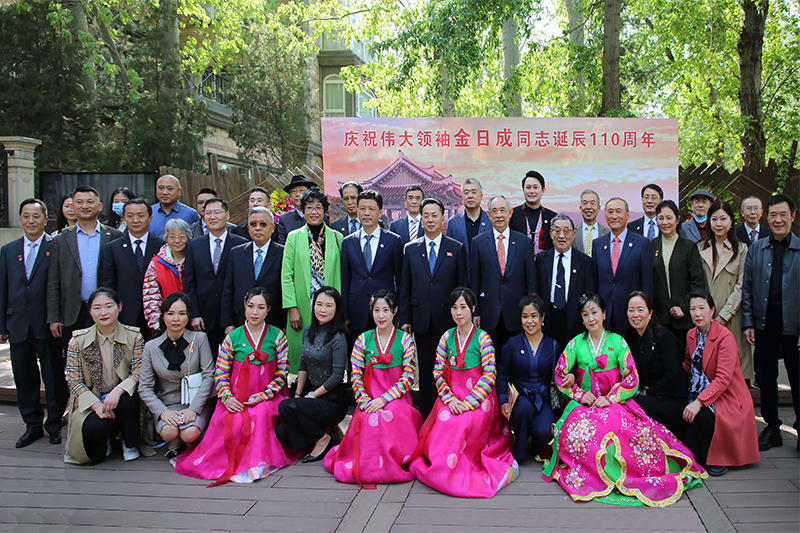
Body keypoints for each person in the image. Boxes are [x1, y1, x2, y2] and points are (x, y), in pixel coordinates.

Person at [543, 293, 706, 506]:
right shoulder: (575, 344)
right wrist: (582, 394)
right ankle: (596, 473)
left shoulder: (618, 341)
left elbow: (632, 376)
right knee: (579, 435)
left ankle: (626, 474)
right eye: (586, 315)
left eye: (594, 313)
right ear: (582, 319)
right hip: (585, 404)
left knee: (627, 432)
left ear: (603, 314)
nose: (591, 319)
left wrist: (610, 398)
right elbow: (560, 374)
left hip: (614, 402)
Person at [176, 287, 300, 485]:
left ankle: (257, 462)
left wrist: (264, 395)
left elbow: (282, 373)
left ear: (268, 310)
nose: (254, 312)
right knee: (230, 419)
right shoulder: (232, 337)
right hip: (236, 396)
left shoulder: (278, 336)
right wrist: (227, 397)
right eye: (250, 306)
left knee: (260, 415)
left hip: (268, 395)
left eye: (260, 307)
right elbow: (221, 373)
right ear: (244, 306)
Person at [407, 287, 518, 498]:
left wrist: (468, 403)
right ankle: (442, 464)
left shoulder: (483, 338)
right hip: (451, 396)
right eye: (455, 308)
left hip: (479, 397)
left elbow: (489, 374)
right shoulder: (446, 337)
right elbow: (438, 372)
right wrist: (450, 400)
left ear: (473, 309)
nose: (459, 313)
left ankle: (458, 465)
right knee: (445, 418)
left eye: (464, 307)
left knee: (464, 422)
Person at [324, 290, 422, 486]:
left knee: (391, 414)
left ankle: (393, 463)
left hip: (396, 398)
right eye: (376, 310)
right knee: (368, 418)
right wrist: (365, 401)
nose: (381, 315)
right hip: (369, 398)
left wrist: (384, 400)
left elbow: (408, 376)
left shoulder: (405, 339)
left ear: (394, 311)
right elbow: (356, 375)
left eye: (386, 310)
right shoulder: (363, 340)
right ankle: (370, 466)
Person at [0, 199, 68, 448]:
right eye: (26, 216)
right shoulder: (8, 250)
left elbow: (60, 286)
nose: (31, 221)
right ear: (20, 219)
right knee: (24, 377)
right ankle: (32, 425)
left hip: (47, 323)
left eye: (36, 216)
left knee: (53, 377)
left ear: (45, 219)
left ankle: (54, 424)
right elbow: (3, 288)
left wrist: (57, 317)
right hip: (17, 323)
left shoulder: (56, 245)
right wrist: (1, 326)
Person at [400, 198, 468, 417]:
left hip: (449, 321)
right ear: (421, 219)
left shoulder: (456, 248)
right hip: (421, 320)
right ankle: (428, 417)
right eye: (425, 216)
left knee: (450, 371)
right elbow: (405, 287)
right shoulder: (410, 249)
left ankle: (449, 417)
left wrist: (462, 317)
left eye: (434, 215)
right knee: (429, 372)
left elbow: (461, 286)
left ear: (443, 218)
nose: (430, 220)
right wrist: (406, 318)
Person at [742, 194, 799, 452]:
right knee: (766, 377)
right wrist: (748, 323)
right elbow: (748, 288)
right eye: (773, 215)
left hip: (794, 322)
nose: (778, 220)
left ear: (793, 217)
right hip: (764, 321)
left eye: (783, 214)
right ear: (767, 216)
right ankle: (772, 427)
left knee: (797, 377)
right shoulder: (757, 248)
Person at [64, 288, 144, 465]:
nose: (104, 312)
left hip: (122, 397)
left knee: (128, 400)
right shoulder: (78, 341)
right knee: (94, 435)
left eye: (109, 306)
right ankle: (107, 436)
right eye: (97, 308)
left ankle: (129, 443)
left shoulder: (134, 336)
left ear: (119, 307)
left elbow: (138, 372)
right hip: (92, 398)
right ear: (90, 311)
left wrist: (117, 391)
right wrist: (95, 405)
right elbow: (73, 379)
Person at [683, 290, 760, 475]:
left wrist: (699, 402)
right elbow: (688, 365)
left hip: (727, 396)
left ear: (712, 310)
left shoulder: (725, 337)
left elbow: (723, 379)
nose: (697, 313)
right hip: (698, 390)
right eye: (693, 309)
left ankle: (721, 457)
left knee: (701, 417)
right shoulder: (691, 334)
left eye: (702, 308)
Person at [48, 186, 124, 354]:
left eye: (90, 202)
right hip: (72, 312)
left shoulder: (115, 237)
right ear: (72, 207)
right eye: (79, 202)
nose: (85, 206)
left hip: (106, 312)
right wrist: (54, 317)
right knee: (75, 363)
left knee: (108, 361)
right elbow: (53, 281)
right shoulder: (61, 240)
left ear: (100, 205)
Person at [276, 287, 348, 463]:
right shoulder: (308, 331)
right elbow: (303, 364)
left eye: (329, 306)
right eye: (319, 304)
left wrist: (313, 396)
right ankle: (328, 433)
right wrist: (299, 394)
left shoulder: (338, 337)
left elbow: (338, 376)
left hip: (331, 400)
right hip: (310, 393)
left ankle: (321, 438)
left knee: (285, 407)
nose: (323, 310)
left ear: (336, 309)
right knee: (281, 433)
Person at [138, 293, 214, 454]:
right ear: (163, 316)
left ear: (189, 316)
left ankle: (185, 441)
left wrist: (193, 409)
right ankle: (176, 440)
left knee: (189, 433)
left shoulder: (199, 339)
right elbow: (144, 387)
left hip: (195, 402)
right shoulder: (151, 347)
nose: (176, 319)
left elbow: (209, 376)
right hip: (168, 404)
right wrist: (162, 412)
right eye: (170, 313)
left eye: (181, 314)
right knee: (169, 432)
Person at [281, 188, 343, 372]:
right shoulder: (294, 237)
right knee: (302, 351)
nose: (314, 212)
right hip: (302, 305)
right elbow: (286, 275)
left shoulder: (337, 238)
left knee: (330, 348)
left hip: (329, 306)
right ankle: (301, 389)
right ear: (303, 210)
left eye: (318, 207)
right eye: (309, 207)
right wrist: (292, 308)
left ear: (325, 211)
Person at [470, 195, 536, 354]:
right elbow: (474, 280)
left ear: (510, 213)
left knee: (517, 360)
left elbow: (531, 280)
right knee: (491, 360)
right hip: (488, 314)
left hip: (516, 313)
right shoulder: (478, 242)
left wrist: (530, 312)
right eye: (494, 211)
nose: (499, 215)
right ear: (488, 214)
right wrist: (476, 311)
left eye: (503, 210)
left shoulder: (524, 242)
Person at [496, 295, 558, 464]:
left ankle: (536, 445)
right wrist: (503, 401)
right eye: (525, 316)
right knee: (523, 409)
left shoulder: (553, 345)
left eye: (534, 316)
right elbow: (502, 375)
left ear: (542, 317)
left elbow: (560, 375)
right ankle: (520, 451)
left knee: (545, 432)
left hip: (543, 399)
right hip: (520, 398)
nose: (529, 321)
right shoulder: (512, 344)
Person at [340, 190, 403, 351]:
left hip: (385, 311)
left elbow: (401, 280)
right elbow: (345, 280)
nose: (366, 213)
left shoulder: (393, 241)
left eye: (371, 209)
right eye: (362, 208)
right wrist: (345, 315)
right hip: (357, 310)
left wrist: (399, 312)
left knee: (385, 356)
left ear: (380, 212)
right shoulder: (348, 242)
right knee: (358, 357)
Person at [183, 198, 247, 356]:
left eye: (217, 212)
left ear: (227, 215)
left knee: (235, 361)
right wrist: (194, 314)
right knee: (206, 362)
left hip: (233, 314)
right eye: (208, 213)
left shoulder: (242, 244)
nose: (212, 217)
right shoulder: (193, 246)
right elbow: (189, 284)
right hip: (204, 316)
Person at [698, 199, 751, 382]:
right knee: (709, 371)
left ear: (731, 221)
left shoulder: (742, 249)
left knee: (734, 374)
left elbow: (742, 286)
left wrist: (723, 316)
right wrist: (707, 315)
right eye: (714, 219)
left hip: (731, 317)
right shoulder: (700, 248)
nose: (718, 224)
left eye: (723, 219)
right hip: (705, 318)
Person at [101, 198, 166, 341]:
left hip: (155, 316)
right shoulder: (113, 248)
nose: (135, 220)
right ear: (124, 218)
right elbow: (108, 284)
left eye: (141, 216)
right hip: (125, 315)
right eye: (130, 216)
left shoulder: (162, 246)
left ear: (150, 218)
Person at [624, 291, 687, 437]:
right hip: (651, 396)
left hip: (671, 398)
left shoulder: (664, 336)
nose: (635, 315)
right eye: (631, 310)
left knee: (636, 406)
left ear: (650, 313)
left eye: (640, 310)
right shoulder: (632, 339)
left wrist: (648, 393)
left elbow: (673, 377)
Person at [651, 200, 707, 356]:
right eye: (660, 218)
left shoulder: (688, 246)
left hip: (684, 319)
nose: (665, 222)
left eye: (669, 217)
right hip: (660, 319)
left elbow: (697, 282)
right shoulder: (651, 246)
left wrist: (684, 307)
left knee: (684, 363)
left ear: (678, 219)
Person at [592, 197, 654, 334]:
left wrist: (646, 312)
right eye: (610, 212)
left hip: (632, 314)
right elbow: (595, 281)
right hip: (605, 314)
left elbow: (647, 282)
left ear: (627, 215)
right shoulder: (597, 244)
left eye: (618, 211)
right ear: (605, 216)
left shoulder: (642, 243)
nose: (614, 216)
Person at [535, 214, 597, 349]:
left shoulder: (585, 262)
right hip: (548, 319)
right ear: (551, 234)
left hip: (574, 321)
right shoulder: (541, 259)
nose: (561, 236)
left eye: (566, 231)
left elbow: (589, 293)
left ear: (573, 234)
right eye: (557, 231)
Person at [222, 207, 285, 333]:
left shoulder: (283, 253)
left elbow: (287, 290)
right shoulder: (236, 253)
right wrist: (228, 323)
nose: (258, 228)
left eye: (263, 224)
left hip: (274, 322)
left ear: (272, 228)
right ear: (248, 228)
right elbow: (228, 289)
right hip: (240, 321)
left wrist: (284, 323)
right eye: (253, 224)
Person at [142, 219, 191, 331]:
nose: (177, 241)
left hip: (193, 322)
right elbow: (150, 296)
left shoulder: (195, 259)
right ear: (166, 238)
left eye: (182, 237)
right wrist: (156, 324)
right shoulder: (156, 263)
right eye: (172, 237)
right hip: (166, 324)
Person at [509, 170, 557, 255]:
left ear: (543, 190)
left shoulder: (552, 217)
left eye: (535, 187)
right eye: (528, 187)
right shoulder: (513, 214)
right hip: (519, 264)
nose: (531, 191)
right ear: (523, 190)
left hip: (544, 265)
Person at [445, 178, 492, 265]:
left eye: (474, 192)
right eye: (466, 193)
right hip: (461, 275)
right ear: (462, 197)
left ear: (481, 196)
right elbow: (449, 252)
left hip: (485, 275)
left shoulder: (491, 221)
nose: (470, 196)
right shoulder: (453, 222)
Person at [148, 175, 201, 239]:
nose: (164, 192)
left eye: (170, 189)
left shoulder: (191, 214)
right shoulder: (149, 212)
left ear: (179, 191)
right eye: (160, 188)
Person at [275, 175, 316, 245]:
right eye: (294, 191)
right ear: (290, 195)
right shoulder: (284, 219)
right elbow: (282, 246)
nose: (297, 194)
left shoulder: (321, 216)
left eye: (301, 190)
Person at [574, 189, 610, 255]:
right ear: (580, 207)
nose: (588, 207)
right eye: (585, 203)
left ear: (598, 208)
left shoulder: (608, 232)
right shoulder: (573, 232)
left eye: (592, 203)